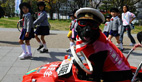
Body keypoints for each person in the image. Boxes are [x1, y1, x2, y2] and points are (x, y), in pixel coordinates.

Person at [75, 7, 132, 82]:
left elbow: (98, 66)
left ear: (98, 27)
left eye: (94, 25)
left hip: (118, 72)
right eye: (82, 23)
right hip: (114, 70)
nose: (87, 29)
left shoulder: (99, 45)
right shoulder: (95, 40)